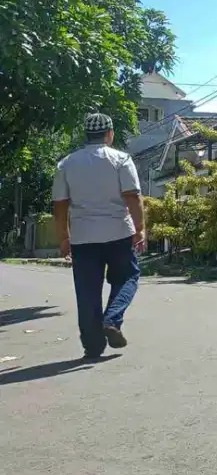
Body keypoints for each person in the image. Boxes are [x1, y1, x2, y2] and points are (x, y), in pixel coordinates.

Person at [52, 113, 146, 359]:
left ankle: (92, 346)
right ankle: (112, 320)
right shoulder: (121, 159)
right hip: (118, 234)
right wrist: (140, 228)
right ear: (110, 134)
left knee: (87, 291)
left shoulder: (66, 164)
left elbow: (60, 206)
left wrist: (64, 237)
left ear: (87, 135)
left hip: (83, 238)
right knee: (127, 277)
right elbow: (133, 197)